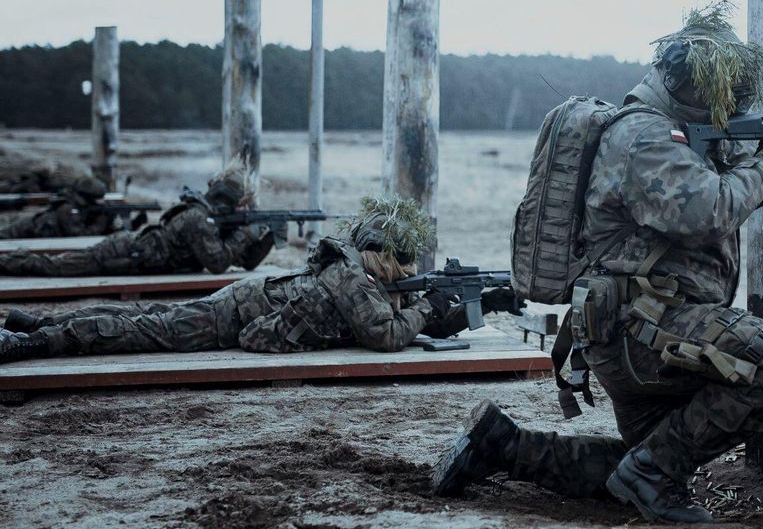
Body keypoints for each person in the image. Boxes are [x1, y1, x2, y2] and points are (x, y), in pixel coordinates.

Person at [430, 1, 763, 523]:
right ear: (688, 81)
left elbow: (723, 187)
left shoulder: (665, 132)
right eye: (722, 92)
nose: (729, 105)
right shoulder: (647, 136)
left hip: (631, 328)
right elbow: (708, 210)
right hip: (645, 330)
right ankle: (651, 474)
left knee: (643, 461)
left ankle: (502, 446)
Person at [0, 196, 520, 363]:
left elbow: (416, 322)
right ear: (380, 255)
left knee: (146, 318)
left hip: (248, 303)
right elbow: (385, 336)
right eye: (402, 261)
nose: (409, 272)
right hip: (233, 316)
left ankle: (40, 323)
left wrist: (488, 302)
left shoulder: (362, 275)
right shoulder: (352, 278)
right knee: (144, 330)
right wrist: (430, 305)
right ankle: (37, 341)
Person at [0, 166, 272, 277]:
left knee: (57, 265)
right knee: (55, 267)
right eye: (242, 204)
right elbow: (218, 263)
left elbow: (243, 262)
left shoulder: (209, 218)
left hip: (133, 252)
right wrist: (247, 233)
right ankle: (7, 262)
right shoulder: (198, 219)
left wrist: (269, 236)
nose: (245, 209)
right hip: (123, 253)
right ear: (228, 200)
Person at [0, 176, 120, 239]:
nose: (100, 203)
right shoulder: (67, 208)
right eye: (96, 199)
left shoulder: (82, 207)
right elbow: (79, 236)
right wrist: (100, 223)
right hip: (20, 232)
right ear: (85, 197)